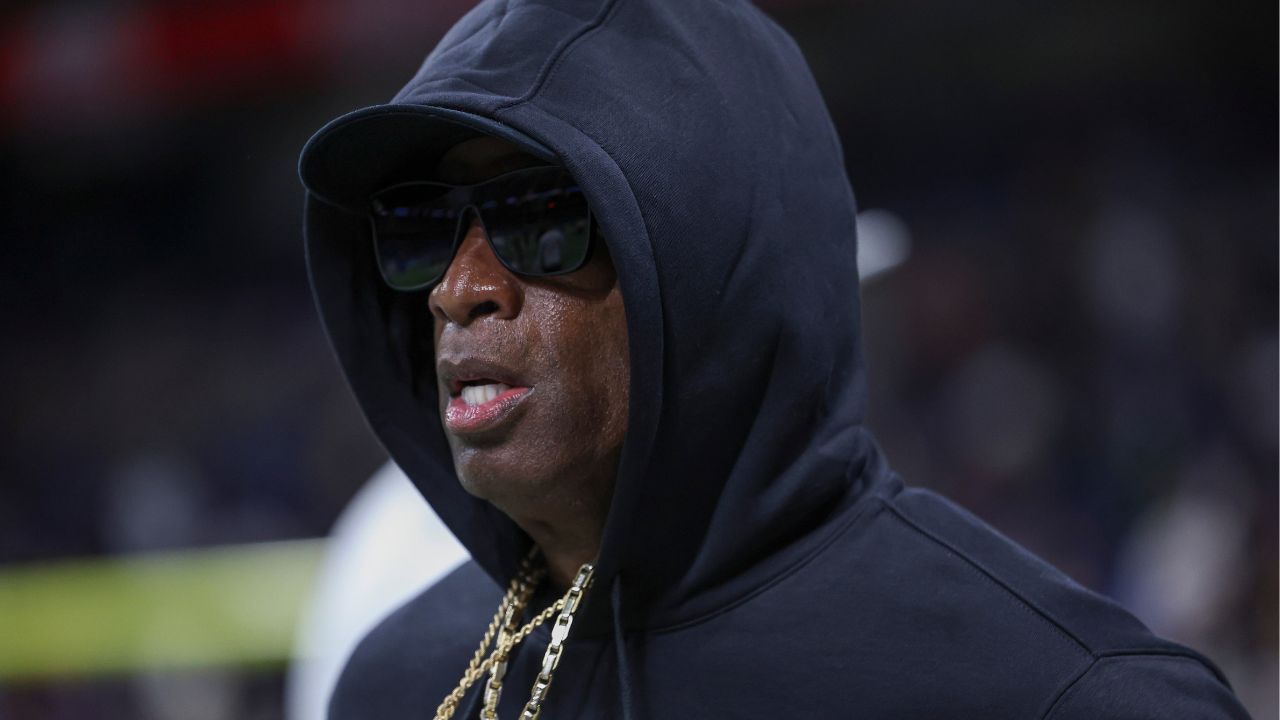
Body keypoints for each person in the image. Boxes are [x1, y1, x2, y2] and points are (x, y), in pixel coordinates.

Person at [297, 1, 1251, 717]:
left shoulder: (1064, 698)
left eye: (539, 216)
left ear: (712, 263)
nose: (457, 289)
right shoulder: (398, 680)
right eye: (419, 228)